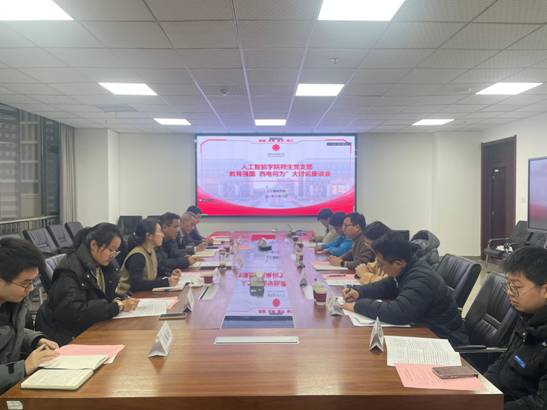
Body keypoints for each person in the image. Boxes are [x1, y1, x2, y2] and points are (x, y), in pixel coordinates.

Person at [341, 231, 468, 346]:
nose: (379, 267)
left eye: (381, 264)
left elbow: (399, 312)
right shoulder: (408, 268)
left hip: (443, 339)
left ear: (398, 263)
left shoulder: (421, 278)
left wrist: (359, 306)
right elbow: (388, 285)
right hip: (424, 329)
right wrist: (359, 292)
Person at [36, 223, 139, 346]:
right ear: (94, 245)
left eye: (115, 251)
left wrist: (120, 299)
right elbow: (73, 312)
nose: (113, 255)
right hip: (66, 335)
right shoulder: (70, 270)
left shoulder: (103, 266)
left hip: (90, 326)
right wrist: (116, 307)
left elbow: (104, 295)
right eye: (110, 250)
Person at [484, 246, 547, 410]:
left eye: (517, 287)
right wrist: (480, 390)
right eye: (508, 285)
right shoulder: (527, 316)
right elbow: (503, 361)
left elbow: (541, 404)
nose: (509, 293)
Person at [0, 238, 59, 393]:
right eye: (25, 283)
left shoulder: (12, 301)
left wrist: (35, 340)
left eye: (33, 282)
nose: (31, 288)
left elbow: (9, 331)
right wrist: (23, 367)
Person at [116, 218, 182, 293]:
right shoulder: (138, 256)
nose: (163, 235)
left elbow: (156, 270)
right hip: (129, 296)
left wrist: (170, 274)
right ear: (149, 235)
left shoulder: (151, 251)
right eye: (159, 231)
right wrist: (166, 282)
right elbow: (136, 284)